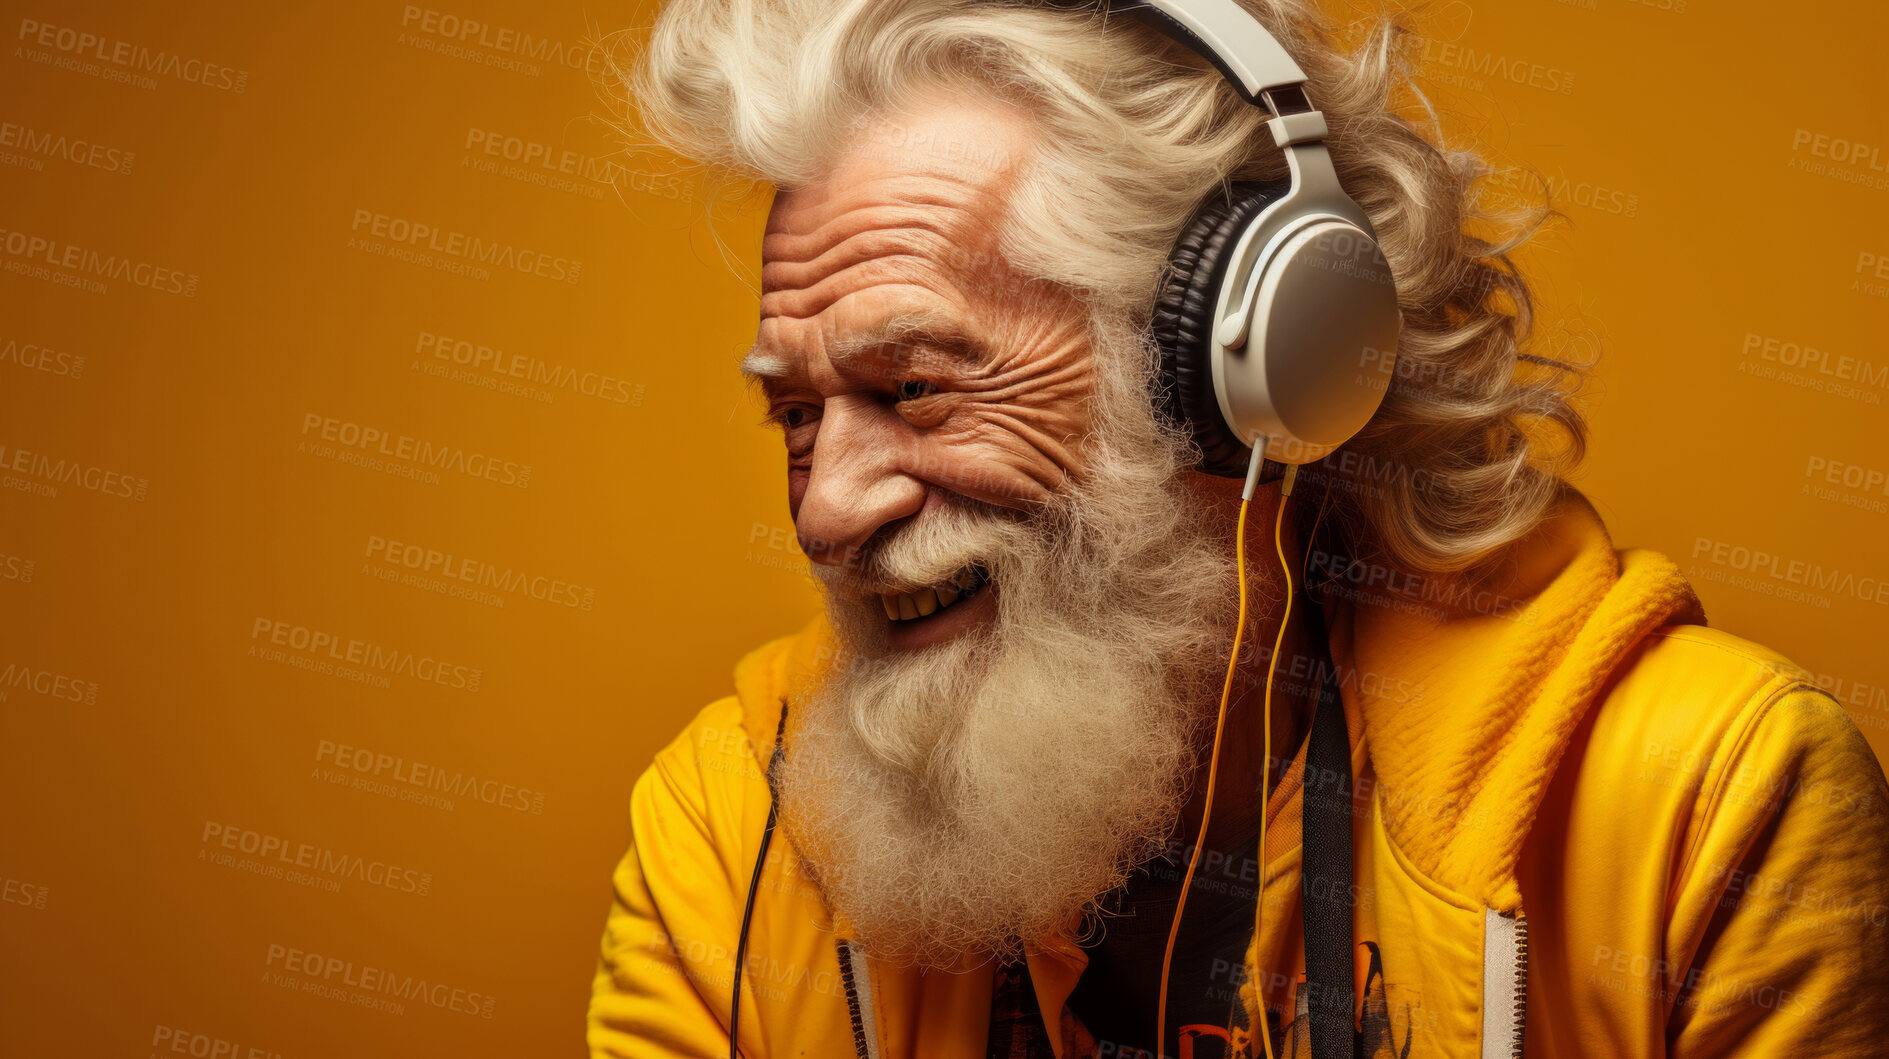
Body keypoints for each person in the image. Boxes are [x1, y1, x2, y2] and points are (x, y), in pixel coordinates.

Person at [586, 1, 1889, 1056]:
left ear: (1247, 373)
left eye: (915, 387)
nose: (825, 510)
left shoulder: (1708, 808)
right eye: (797, 418)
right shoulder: (725, 833)